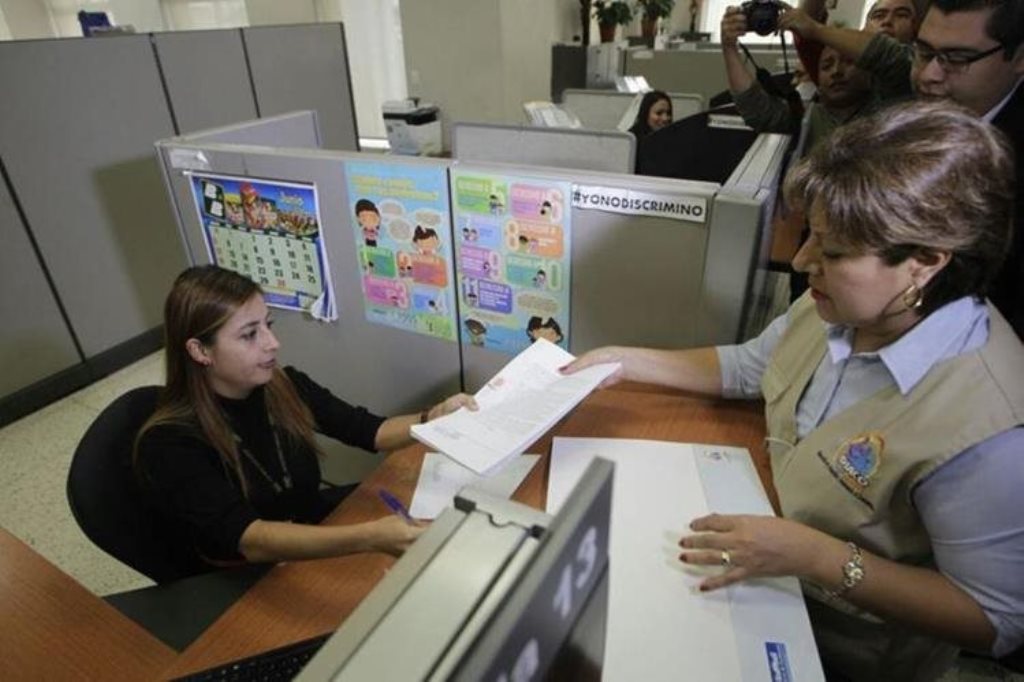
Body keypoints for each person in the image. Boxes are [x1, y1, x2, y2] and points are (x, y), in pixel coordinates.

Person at [564, 101, 1024, 681]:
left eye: (832, 253)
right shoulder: (842, 304)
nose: (804, 262)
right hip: (758, 575)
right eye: (812, 238)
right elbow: (754, 366)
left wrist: (817, 557)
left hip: (846, 651)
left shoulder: (993, 428)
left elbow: (994, 618)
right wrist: (625, 360)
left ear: (924, 263)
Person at [134, 265, 477, 572]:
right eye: (249, 334)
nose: (273, 343)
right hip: (246, 574)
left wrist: (434, 417)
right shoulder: (169, 442)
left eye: (267, 325)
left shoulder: (282, 385)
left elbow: (369, 431)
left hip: (315, 532)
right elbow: (251, 539)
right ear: (200, 351)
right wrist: (370, 537)